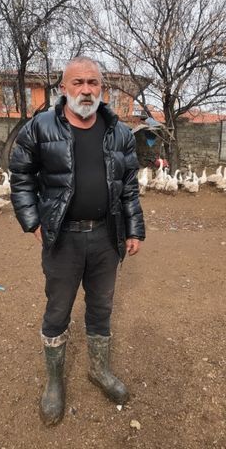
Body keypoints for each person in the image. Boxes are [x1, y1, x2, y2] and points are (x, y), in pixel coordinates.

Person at [9, 56, 146, 426]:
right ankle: (54, 382)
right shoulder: (40, 127)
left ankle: (99, 370)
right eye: (78, 82)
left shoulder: (119, 132)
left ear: (102, 88)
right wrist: (33, 222)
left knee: (101, 308)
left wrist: (134, 228)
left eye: (93, 83)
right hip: (63, 239)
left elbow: (129, 186)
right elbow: (20, 176)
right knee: (58, 310)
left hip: (106, 235)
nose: (86, 90)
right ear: (63, 88)